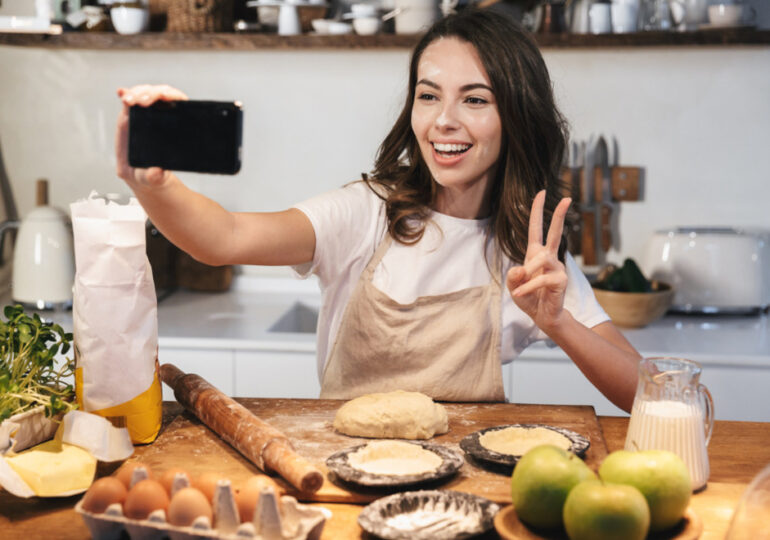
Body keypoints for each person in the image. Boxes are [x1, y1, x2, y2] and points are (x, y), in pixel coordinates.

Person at [115, 8, 641, 412]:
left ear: (517, 117)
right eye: (429, 96)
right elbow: (225, 238)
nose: (444, 122)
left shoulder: (527, 255)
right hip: (344, 481)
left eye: (475, 100)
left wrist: (560, 324)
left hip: (465, 496)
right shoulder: (366, 213)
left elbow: (648, 393)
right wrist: (154, 184)